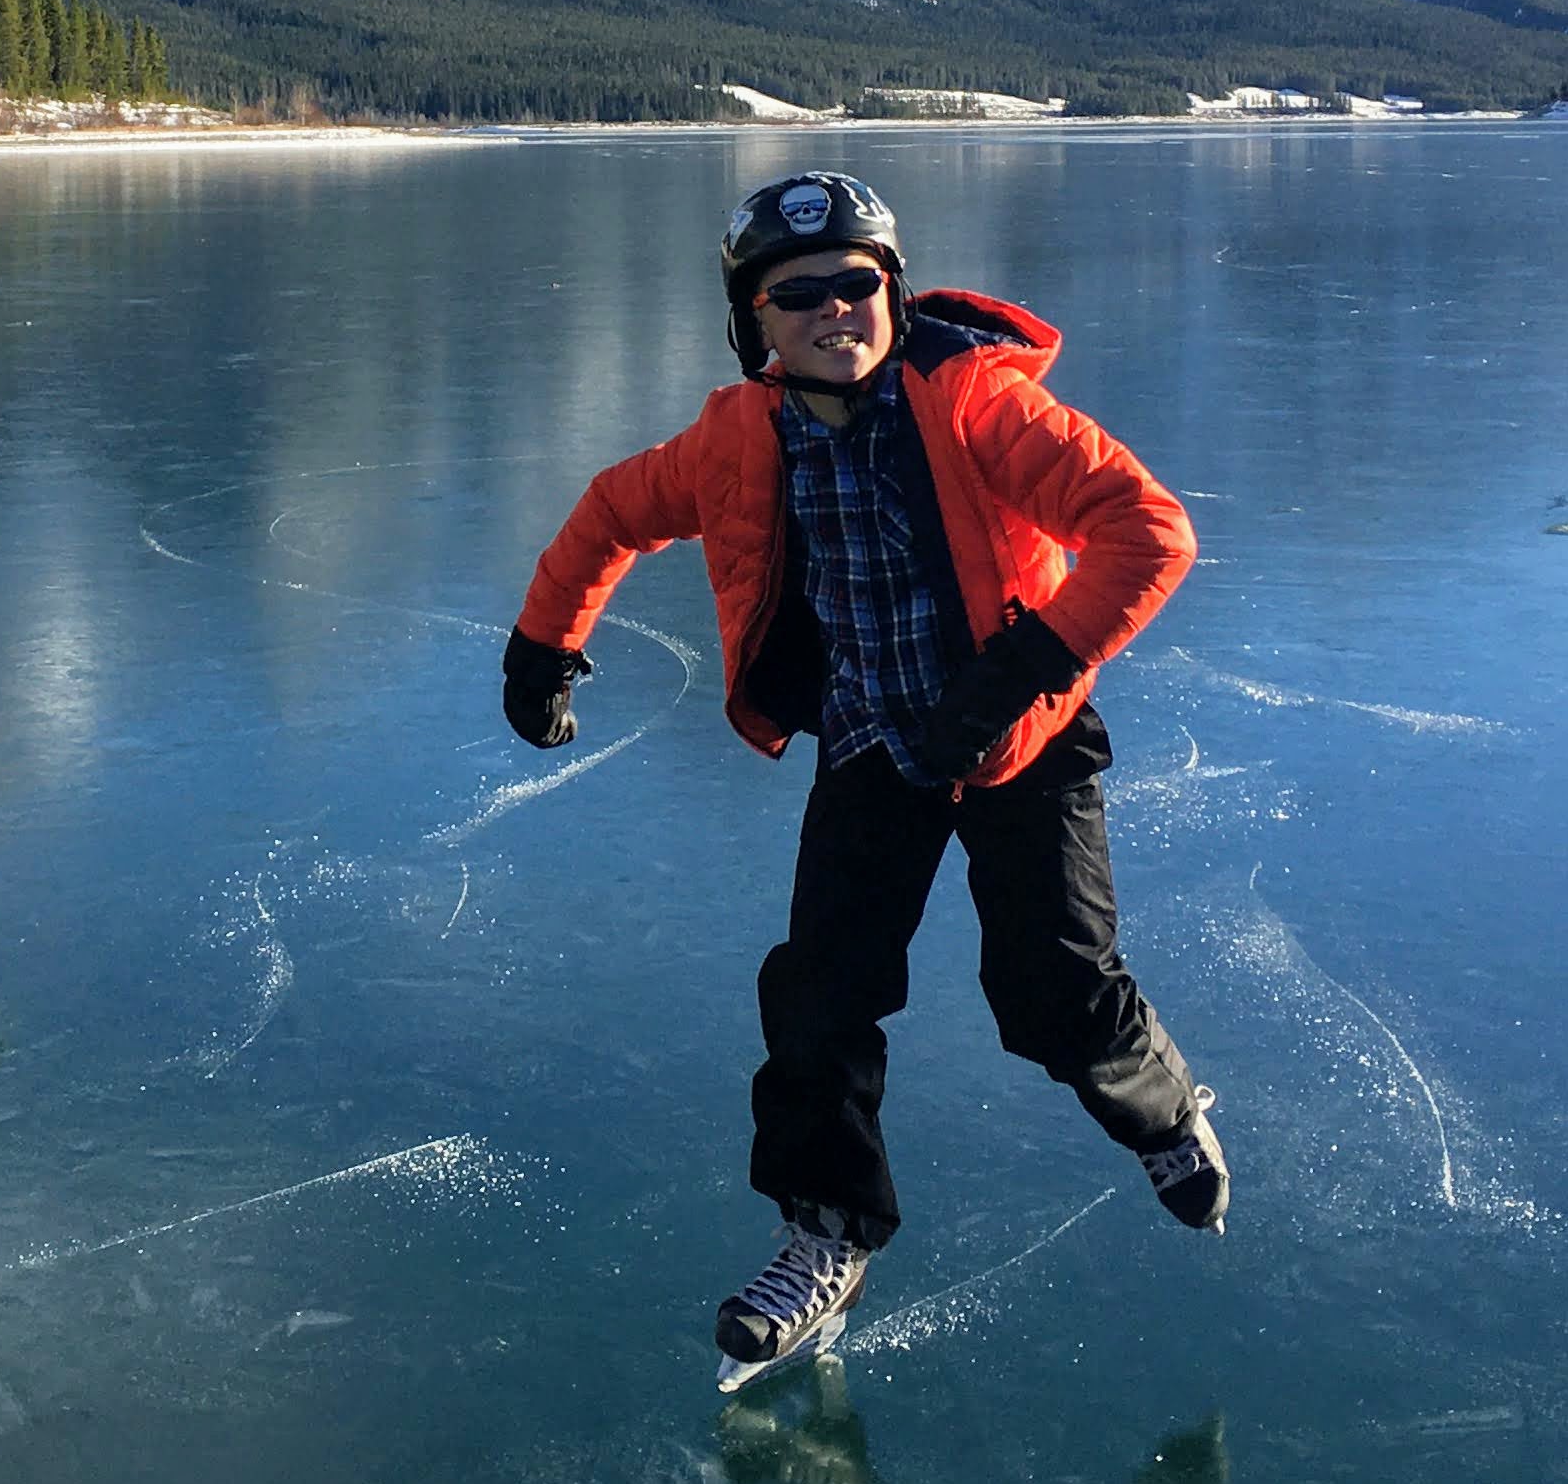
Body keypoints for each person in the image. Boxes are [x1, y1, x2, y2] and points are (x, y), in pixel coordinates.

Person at [499, 171, 1228, 1374]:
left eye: (857, 286)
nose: (835, 312)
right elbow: (610, 512)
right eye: (800, 297)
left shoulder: (976, 405)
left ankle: (1164, 1113)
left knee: (1052, 992)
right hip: (875, 748)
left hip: (1021, 745)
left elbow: (1148, 527)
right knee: (817, 997)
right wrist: (544, 647)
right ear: (755, 324)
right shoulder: (742, 442)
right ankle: (825, 1234)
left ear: (891, 293)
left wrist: (1016, 676)